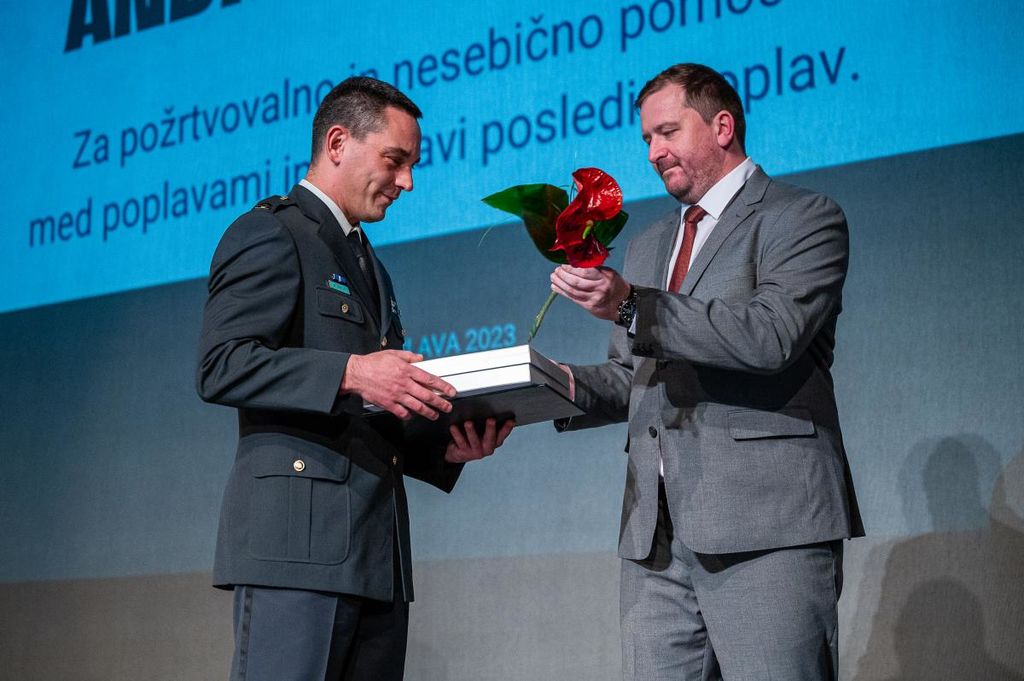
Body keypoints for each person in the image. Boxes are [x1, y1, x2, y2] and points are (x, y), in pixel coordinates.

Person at [549, 63, 863, 681]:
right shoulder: (649, 245)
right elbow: (631, 377)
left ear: (722, 127)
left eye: (667, 132)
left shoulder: (803, 217)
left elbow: (771, 335)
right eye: (646, 139)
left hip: (767, 526)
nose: (653, 152)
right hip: (655, 536)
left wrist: (633, 305)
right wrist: (547, 387)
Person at [196, 77, 513, 681]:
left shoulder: (371, 263)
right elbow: (222, 363)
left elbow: (365, 412)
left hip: (375, 557)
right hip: (297, 554)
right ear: (338, 142)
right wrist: (353, 371)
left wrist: (445, 447)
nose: (407, 182)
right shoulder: (272, 232)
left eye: (412, 165)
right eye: (395, 161)